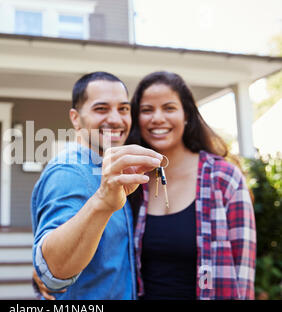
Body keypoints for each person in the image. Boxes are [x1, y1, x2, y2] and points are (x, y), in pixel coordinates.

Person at [35, 71, 256, 300]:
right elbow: (62, 253)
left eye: (169, 108)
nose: (157, 118)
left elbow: (243, 270)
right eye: (147, 110)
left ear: (187, 114)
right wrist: (47, 266)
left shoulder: (223, 178)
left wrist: (48, 267)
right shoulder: (128, 177)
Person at [30, 71, 163, 299]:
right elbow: (51, 273)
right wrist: (101, 202)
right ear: (75, 118)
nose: (115, 119)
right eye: (101, 109)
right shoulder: (69, 172)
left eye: (123, 109)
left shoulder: (111, 169)